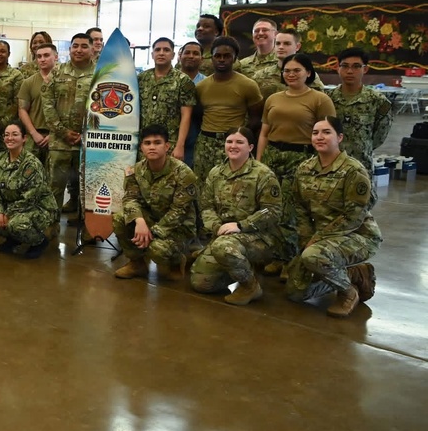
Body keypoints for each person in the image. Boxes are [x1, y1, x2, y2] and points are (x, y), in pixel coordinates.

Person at [285, 117, 380, 318]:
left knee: (313, 256)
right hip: (320, 239)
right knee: (296, 292)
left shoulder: (353, 171)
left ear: (340, 137)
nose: (319, 137)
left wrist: (316, 241)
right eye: (315, 133)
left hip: (357, 236)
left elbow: (354, 216)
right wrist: (306, 239)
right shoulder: (304, 169)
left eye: (326, 132)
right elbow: (300, 209)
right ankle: (350, 274)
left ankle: (348, 292)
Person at [257, 53, 336, 276]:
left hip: (301, 157)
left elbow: (328, 134)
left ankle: (291, 260)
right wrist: (259, 162)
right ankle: (277, 256)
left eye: (296, 70)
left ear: (308, 73)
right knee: (271, 208)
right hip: (273, 154)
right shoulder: (273, 98)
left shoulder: (320, 99)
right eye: (287, 71)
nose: (291, 74)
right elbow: (264, 132)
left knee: (291, 212)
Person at [190, 127, 281, 305]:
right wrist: (217, 227)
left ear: (251, 147)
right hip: (224, 236)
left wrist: (241, 225)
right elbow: (206, 206)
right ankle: (242, 267)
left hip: (260, 237)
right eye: (229, 141)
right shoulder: (216, 173)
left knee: (223, 248)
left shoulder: (263, 175)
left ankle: (250, 286)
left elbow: (273, 211)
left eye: (240, 142)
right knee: (201, 283)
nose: (233, 146)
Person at [112, 125, 198, 281]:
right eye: (147, 143)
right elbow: (130, 199)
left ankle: (177, 261)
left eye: (157, 142)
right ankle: (137, 264)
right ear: (142, 147)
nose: (152, 147)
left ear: (167, 146)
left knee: (157, 250)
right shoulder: (134, 171)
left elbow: (179, 211)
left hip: (178, 227)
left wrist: (153, 232)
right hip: (151, 219)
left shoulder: (184, 173)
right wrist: (139, 221)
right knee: (119, 218)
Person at [0, 122, 58, 259]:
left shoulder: (31, 165)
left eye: (15, 134)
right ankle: (15, 238)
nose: (10, 138)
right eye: (6, 135)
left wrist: (7, 213)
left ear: (24, 138)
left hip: (37, 208)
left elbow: (30, 198)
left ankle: (39, 241)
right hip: (9, 205)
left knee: (16, 224)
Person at [193, 37, 263, 186]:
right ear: (211, 58)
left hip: (233, 144)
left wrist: (239, 139)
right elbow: (198, 116)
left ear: (235, 58)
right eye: (217, 56)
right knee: (203, 185)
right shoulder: (201, 86)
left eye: (227, 56)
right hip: (205, 143)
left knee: (232, 187)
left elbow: (256, 119)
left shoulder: (248, 85)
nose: (222, 59)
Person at [42, 33, 94, 220]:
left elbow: (104, 111)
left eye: (84, 46)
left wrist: (86, 134)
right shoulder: (56, 72)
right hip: (59, 142)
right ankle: (51, 224)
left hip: (89, 143)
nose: (79, 50)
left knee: (88, 188)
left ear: (92, 48)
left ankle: (88, 226)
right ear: (70, 48)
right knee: (55, 187)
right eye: (75, 46)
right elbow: (47, 105)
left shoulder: (100, 74)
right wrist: (63, 132)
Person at [328, 48, 392, 197]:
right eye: (345, 66)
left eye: (356, 66)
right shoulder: (327, 99)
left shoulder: (378, 101)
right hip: (332, 164)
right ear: (338, 68)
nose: (350, 71)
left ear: (365, 69)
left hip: (362, 164)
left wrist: (362, 146)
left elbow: (380, 135)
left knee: (360, 208)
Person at [137, 37, 196, 161]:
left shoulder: (183, 81)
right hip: (144, 143)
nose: (161, 53)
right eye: (157, 50)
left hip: (169, 143)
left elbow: (186, 115)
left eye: (166, 50)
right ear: (152, 54)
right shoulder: (141, 78)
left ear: (173, 55)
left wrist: (180, 145)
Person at [0, 40, 24, 163]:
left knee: (6, 162)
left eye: (2, 51)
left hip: (7, 129)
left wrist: (1, 125)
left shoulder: (16, 75)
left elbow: (17, 102)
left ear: (9, 54)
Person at [17, 42, 56, 165]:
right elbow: (22, 110)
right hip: (34, 136)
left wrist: (54, 135)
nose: (42, 59)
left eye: (46, 55)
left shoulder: (64, 82)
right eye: (39, 56)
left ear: (56, 56)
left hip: (57, 137)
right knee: (30, 176)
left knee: (54, 180)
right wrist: (34, 133)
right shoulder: (28, 82)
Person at [239, 18, 282, 99]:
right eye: (256, 31)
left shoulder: (283, 61)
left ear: (275, 34)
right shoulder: (242, 64)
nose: (260, 33)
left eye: (265, 30)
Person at [178, 41, 205, 168]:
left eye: (195, 53)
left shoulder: (206, 83)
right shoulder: (169, 80)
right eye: (187, 52)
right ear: (180, 55)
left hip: (197, 137)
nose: (191, 56)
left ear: (202, 59)